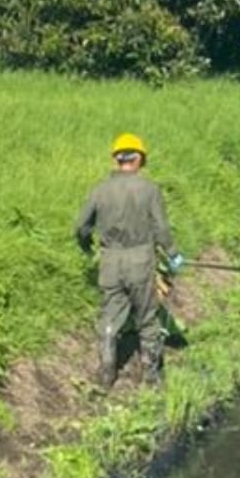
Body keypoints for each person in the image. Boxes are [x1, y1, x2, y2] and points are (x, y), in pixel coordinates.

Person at [75, 132, 182, 390]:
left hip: (110, 260)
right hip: (140, 260)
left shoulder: (100, 190)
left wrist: (86, 246)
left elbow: (81, 226)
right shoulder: (149, 190)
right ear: (139, 159)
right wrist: (173, 254)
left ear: (117, 159)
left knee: (110, 317)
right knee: (146, 316)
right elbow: (161, 229)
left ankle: (106, 374)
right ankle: (151, 377)